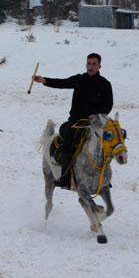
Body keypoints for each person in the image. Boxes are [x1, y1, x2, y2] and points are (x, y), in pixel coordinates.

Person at [32, 53, 113, 189]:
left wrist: (97, 115)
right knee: (67, 141)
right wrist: (44, 80)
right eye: (89, 63)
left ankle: (103, 175)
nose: (91, 66)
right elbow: (61, 83)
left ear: (99, 66)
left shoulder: (105, 84)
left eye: (94, 64)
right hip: (76, 122)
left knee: (105, 143)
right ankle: (65, 176)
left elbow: (108, 105)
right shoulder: (79, 80)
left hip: (95, 122)